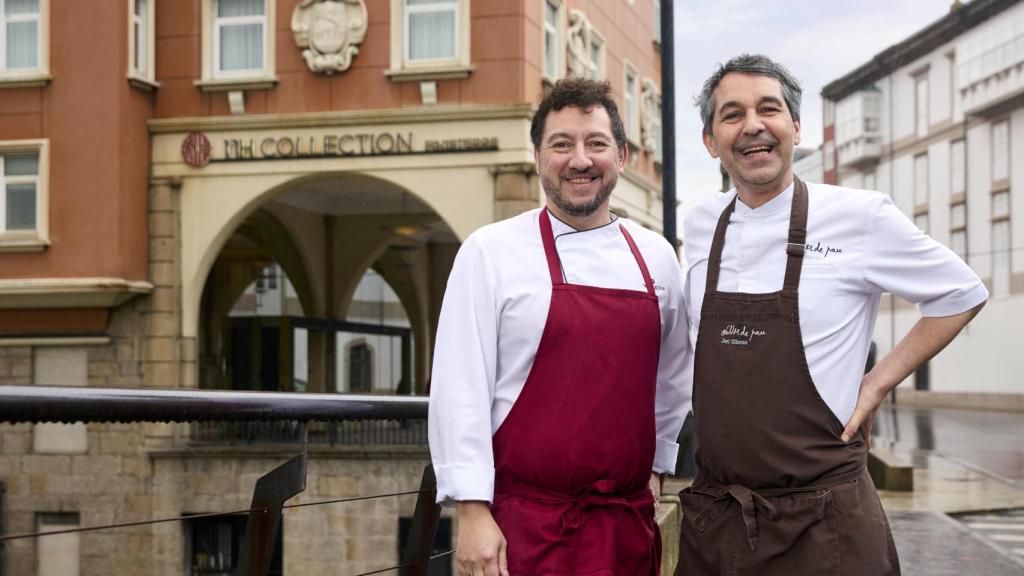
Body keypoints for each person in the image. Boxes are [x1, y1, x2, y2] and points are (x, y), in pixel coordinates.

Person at [674, 54, 987, 575]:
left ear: (795, 127)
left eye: (768, 109)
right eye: (732, 114)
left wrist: (876, 384)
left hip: (828, 528)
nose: (753, 125)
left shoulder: (859, 216)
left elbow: (959, 292)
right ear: (711, 141)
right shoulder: (702, 224)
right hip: (719, 523)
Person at [428, 78, 691, 576]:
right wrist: (470, 509)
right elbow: (460, 386)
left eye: (596, 143)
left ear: (623, 156)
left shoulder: (656, 256)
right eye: (561, 144)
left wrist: (657, 465)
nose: (580, 160)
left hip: (625, 525)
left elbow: (673, 374)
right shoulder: (489, 251)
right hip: (521, 529)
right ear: (537, 156)